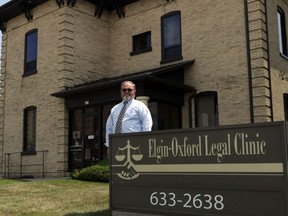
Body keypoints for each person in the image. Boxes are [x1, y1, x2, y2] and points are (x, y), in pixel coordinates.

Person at [105, 81, 153, 148]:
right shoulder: (114, 109)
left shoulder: (140, 106)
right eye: (124, 90)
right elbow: (109, 128)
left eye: (129, 90)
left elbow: (147, 124)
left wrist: (143, 141)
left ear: (134, 91)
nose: (126, 92)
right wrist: (109, 145)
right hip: (116, 144)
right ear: (121, 92)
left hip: (135, 144)